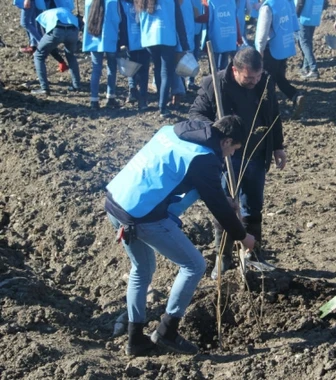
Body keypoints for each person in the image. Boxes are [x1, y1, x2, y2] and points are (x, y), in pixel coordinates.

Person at [105, 115, 256, 356]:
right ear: (227, 141)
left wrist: (222, 199)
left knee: (141, 270)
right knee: (194, 265)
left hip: (117, 201)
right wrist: (242, 235)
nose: (231, 155)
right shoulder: (204, 159)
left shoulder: (177, 131)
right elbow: (216, 205)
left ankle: (135, 340)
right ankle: (167, 331)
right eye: (234, 149)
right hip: (142, 216)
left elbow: (199, 186)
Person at [189, 47, 286, 279]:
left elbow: (273, 114)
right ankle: (223, 257)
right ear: (235, 70)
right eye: (248, 77)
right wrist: (220, 130)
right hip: (227, 157)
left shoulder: (264, 83)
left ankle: (253, 254)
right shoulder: (214, 84)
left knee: (253, 205)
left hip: (256, 152)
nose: (254, 81)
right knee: (225, 206)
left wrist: (277, 146)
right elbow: (195, 115)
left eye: (257, 76)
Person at [135, 0, 190, 117]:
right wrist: (185, 44)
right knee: (166, 73)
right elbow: (179, 23)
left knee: (158, 69)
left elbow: (138, 21)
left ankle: (160, 100)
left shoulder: (142, 1)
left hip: (149, 40)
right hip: (167, 39)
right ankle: (163, 106)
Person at [255, 0, 305, 118]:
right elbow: (293, 23)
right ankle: (295, 95)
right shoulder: (286, 2)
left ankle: (269, 110)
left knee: (266, 81)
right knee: (279, 76)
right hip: (284, 45)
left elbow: (262, 33)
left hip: (271, 48)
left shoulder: (267, 8)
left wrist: (259, 51)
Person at [31, 0, 82, 95]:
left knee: (38, 55)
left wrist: (60, 60)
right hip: (73, 31)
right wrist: (62, 61)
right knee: (71, 55)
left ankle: (44, 88)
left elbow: (50, 46)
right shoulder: (65, 10)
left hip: (56, 31)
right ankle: (76, 86)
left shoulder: (43, 16)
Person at [83, 0, 121, 110]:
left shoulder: (88, 1)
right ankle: (110, 97)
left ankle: (94, 100)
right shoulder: (113, 1)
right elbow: (119, 19)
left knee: (96, 69)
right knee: (112, 68)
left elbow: (85, 20)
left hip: (94, 39)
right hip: (110, 38)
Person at [119, 0, 151, 110]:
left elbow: (120, 22)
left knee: (130, 68)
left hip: (129, 42)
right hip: (144, 41)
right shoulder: (144, 3)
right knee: (144, 72)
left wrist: (122, 42)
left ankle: (132, 90)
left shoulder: (122, 3)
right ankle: (143, 100)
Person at [294, 0, 325, 79]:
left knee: (304, 43)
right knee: (308, 43)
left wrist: (295, 15)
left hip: (304, 17)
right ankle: (305, 67)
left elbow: (300, 3)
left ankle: (313, 69)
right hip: (314, 16)